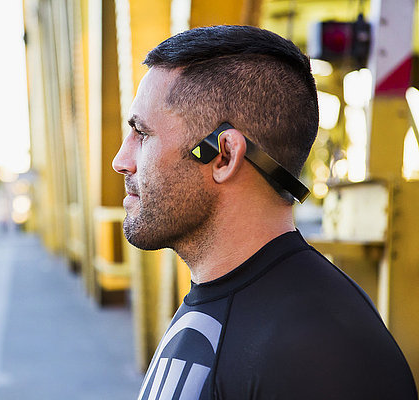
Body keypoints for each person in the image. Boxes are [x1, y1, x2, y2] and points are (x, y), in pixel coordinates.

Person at [112, 25, 417, 400]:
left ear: (223, 155)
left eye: (142, 134)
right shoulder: (227, 296)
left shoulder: (320, 352)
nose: (121, 161)